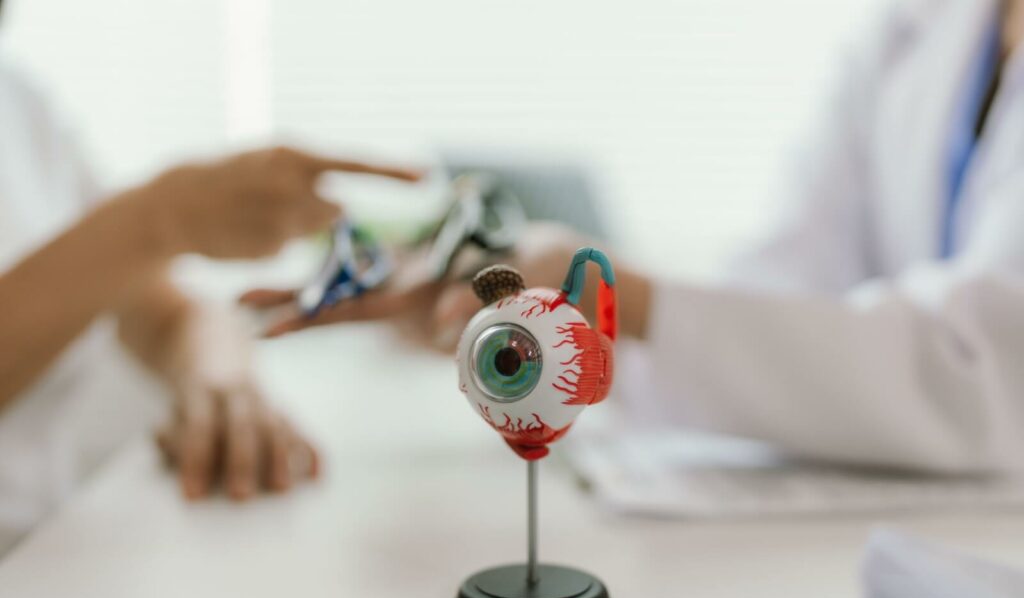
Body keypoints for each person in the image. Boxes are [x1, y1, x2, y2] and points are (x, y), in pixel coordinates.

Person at [245, 0, 1024, 474]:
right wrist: (533, 318)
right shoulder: (910, 29)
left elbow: (985, 372)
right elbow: (780, 300)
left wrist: (620, 295)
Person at [0, 14, 419, 552]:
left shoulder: (21, 101)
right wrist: (161, 217)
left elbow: (164, 311)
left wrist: (218, 375)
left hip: (48, 561)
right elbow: (129, 242)